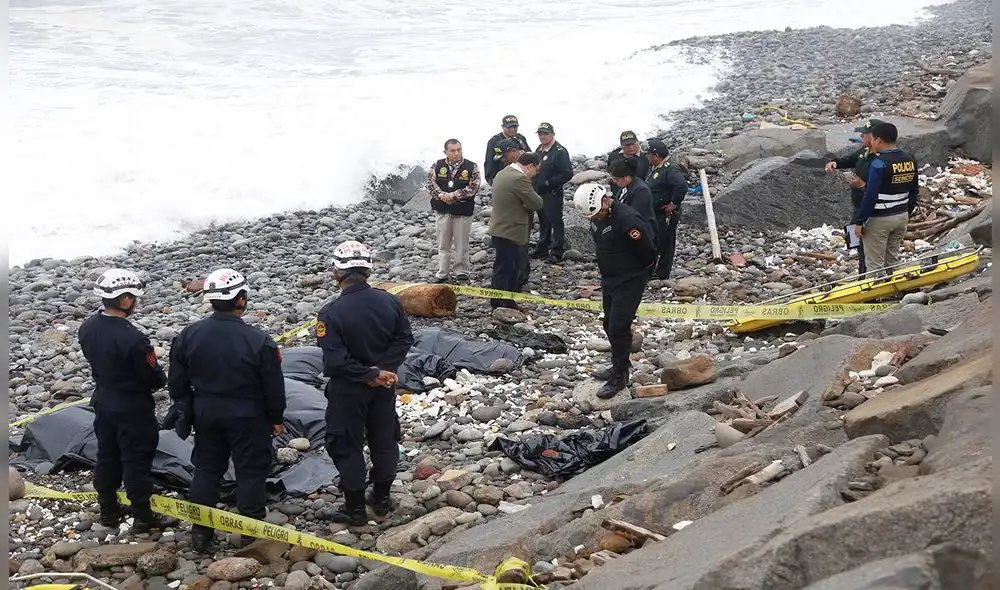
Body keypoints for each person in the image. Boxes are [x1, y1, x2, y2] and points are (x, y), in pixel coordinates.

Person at [168, 268, 287, 553]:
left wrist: (187, 410)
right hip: (249, 415)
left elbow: (177, 383)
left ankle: (201, 533)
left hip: (206, 413)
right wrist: (276, 417)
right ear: (241, 299)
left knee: (206, 469)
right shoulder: (259, 340)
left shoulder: (189, 335)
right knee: (251, 471)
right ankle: (250, 534)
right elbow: (273, 387)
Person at [316, 240, 414, 526]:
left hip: (348, 390)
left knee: (346, 445)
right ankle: (381, 498)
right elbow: (404, 339)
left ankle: (355, 508)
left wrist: (370, 374)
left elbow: (335, 361)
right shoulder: (390, 301)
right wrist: (384, 371)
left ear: (337, 273)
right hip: (384, 386)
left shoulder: (331, 313)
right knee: (384, 440)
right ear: (368, 270)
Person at [78, 269, 177, 533]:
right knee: (137, 460)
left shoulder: (87, 327)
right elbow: (154, 378)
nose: (135, 302)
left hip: (103, 400)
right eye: (133, 298)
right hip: (133, 408)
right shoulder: (134, 339)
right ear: (125, 300)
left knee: (107, 456)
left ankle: (108, 510)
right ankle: (143, 516)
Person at [573, 184, 657, 399]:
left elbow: (648, 251)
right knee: (609, 323)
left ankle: (620, 375)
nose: (595, 218)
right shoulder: (597, 217)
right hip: (609, 277)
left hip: (630, 278)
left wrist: (638, 274)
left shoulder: (628, 220)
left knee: (619, 326)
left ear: (605, 201)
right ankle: (619, 363)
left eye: (596, 213)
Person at [851, 122, 919, 275]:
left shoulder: (879, 163)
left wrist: (860, 221)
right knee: (892, 260)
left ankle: (876, 290)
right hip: (901, 216)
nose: (871, 142)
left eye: (873, 139)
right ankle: (898, 286)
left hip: (879, 219)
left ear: (879, 140)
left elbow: (870, 195)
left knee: (875, 265)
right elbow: (914, 190)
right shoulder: (910, 159)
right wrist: (906, 212)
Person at [487, 152, 544, 309]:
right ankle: (505, 301)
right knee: (509, 267)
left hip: (499, 227)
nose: (536, 174)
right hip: (512, 230)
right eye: (537, 169)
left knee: (501, 266)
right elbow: (537, 203)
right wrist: (526, 204)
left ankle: (497, 299)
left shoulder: (503, 173)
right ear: (530, 166)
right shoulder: (519, 178)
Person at [826, 119, 883, 275]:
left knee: (868, 243)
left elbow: (882, 186)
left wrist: (863, 185)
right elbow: (849, 159)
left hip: (872, 208)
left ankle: (869, 274)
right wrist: (835, 163)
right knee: (854, 238)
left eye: (865, 133)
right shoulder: (864, 151)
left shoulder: (881, 159)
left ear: (875, 137)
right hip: (858, 205)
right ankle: (862, 268)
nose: (861, 136)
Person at [427, 138, 481, 283]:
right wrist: (442, 195)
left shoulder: (472, 166)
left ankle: (461, 271)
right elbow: (431, 184)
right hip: (442, 210)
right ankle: (442, 272)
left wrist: (453, 196)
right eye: (453, 150)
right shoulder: (437, 165)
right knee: (443, 244)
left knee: (462, 243)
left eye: (459, 150)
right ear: (445, 152)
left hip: (462, 211)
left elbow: (473, 187)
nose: (457, 153)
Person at [645, 138, 689, 279]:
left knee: (665, 241)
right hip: (655, 211)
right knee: (655, 239)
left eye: (648, 154)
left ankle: (662, 273)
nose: (647, 157)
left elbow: (681, 186)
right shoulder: (656, 168)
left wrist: (674, 203)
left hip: (665, 213)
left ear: (656, 156)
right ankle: (652, 269)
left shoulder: (670, 169)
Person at [530, 122, 574, 263]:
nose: (542, 136)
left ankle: (557, 251)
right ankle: (543, 248)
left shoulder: (560, 151)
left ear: (553, 134)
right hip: (539, 192)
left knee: (555, 221)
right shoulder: (539, 149)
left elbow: (567, 173)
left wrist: (550, 182)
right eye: (540, 134)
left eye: (545, 134)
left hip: (552, 193)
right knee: (543, 220)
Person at [608, 158, 656, 237]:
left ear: (626, 177)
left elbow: (634, 214)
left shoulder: (641, 191)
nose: (614, 181)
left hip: (641, 232)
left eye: (616, 179)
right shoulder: (625, 186)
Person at [484, 115, 532, 183]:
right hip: (502, 178)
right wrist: (491, 180)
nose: (512, 129)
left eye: (514, 127)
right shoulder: (494, 141)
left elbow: (530, 157)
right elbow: (489, 163)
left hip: (521, 177)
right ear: (503, 127)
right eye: (509, 127)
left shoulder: (521, 138)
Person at [607, 130, 650, 195]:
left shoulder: (645, 157)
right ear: (622, 145)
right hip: (618, 194)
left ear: (637, 142)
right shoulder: (613, 156)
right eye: (627, 145)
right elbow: (610, 175)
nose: (631, 147)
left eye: (633, 144)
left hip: (638, 193)